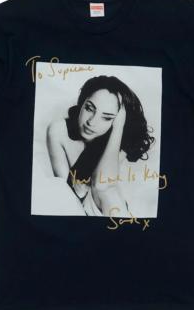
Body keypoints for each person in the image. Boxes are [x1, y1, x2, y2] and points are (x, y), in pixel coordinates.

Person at [46, 75, 155, 217]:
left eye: (107, 117)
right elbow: (65, 193)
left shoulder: (119, 138)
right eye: (89, 108)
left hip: (104, 205)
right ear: (82, 102)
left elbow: (101, 185)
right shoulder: (58, 131)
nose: (91, 122)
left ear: (117, 121)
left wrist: (118, 128)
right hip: (73, 207)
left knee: (109, 193)